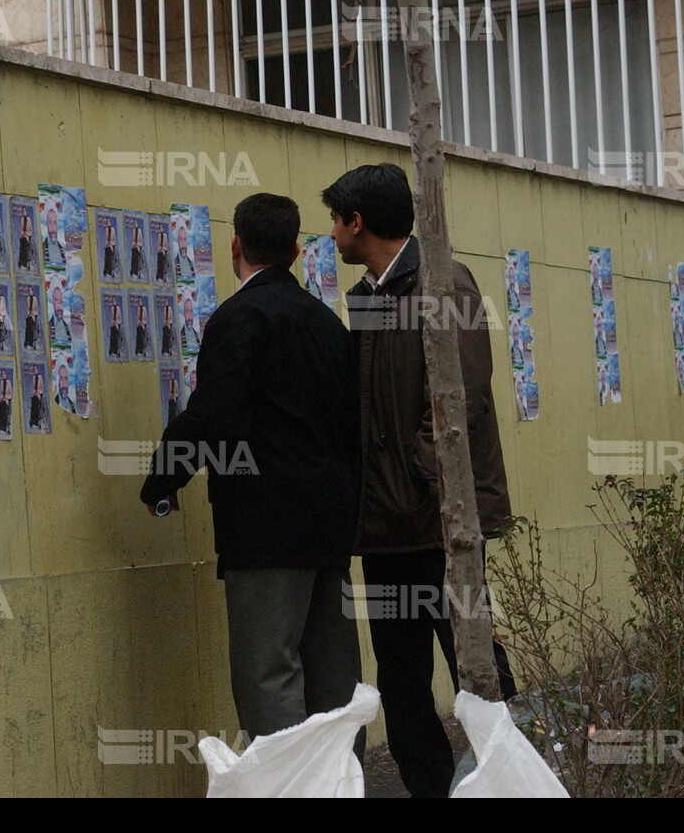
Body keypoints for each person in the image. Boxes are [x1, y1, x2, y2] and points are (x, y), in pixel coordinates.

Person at [140, 192, 362, 751]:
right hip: (331, 527)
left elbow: (214, 416)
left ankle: (286, 789)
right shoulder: (328, 324)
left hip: (265, 529)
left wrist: (162, 480)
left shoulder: (238, 319)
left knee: (269, 675)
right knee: (334, 681)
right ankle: (341, 787)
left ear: (235, 244)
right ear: (293, 250)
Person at [325, 163, 515, 798]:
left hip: (439, 521)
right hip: (385, 526)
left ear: (359, 222)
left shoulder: (442, 282)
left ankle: (515, 780)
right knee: (401, 684)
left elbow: (463, 401)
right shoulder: (368, 295)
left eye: (336, 220)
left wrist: (420, 473)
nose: (330, 234)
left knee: (477, 673)